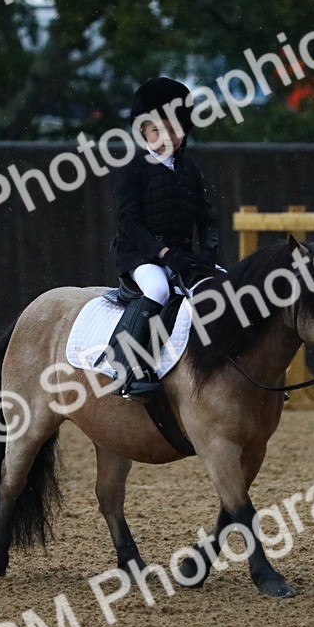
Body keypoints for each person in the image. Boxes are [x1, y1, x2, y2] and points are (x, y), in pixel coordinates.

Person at [106, 76, 220, 401]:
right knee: (157, 289)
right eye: (156, 130)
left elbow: (206, 218)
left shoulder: (191, 171)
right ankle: (126, 367)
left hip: (182, 257)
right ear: (143, 132)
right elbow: (129, 224)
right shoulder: (133, 170)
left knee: (226, 287)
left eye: (173, 129)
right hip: (141, 258)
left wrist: (209, 253)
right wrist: (163, 252)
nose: (165, 137)